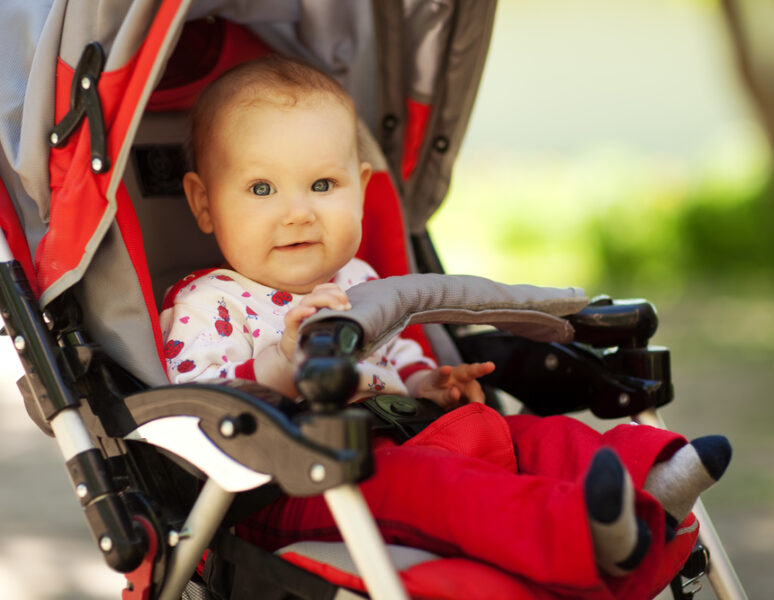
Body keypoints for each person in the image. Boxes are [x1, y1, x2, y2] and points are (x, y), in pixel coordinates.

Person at [160, 54, 731, 598]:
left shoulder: (362, 277)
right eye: (262, 189)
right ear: (204, 203)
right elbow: (201, 412)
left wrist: (428, 385)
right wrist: (285, 360)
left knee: (522, 434)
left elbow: (398, 360)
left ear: (361, 188)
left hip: (407, 435)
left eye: (323, 185)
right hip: (301, 483)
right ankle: (580, 534)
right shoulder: (208, 303)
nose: (298, 211)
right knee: (435, 485)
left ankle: (646, 475)